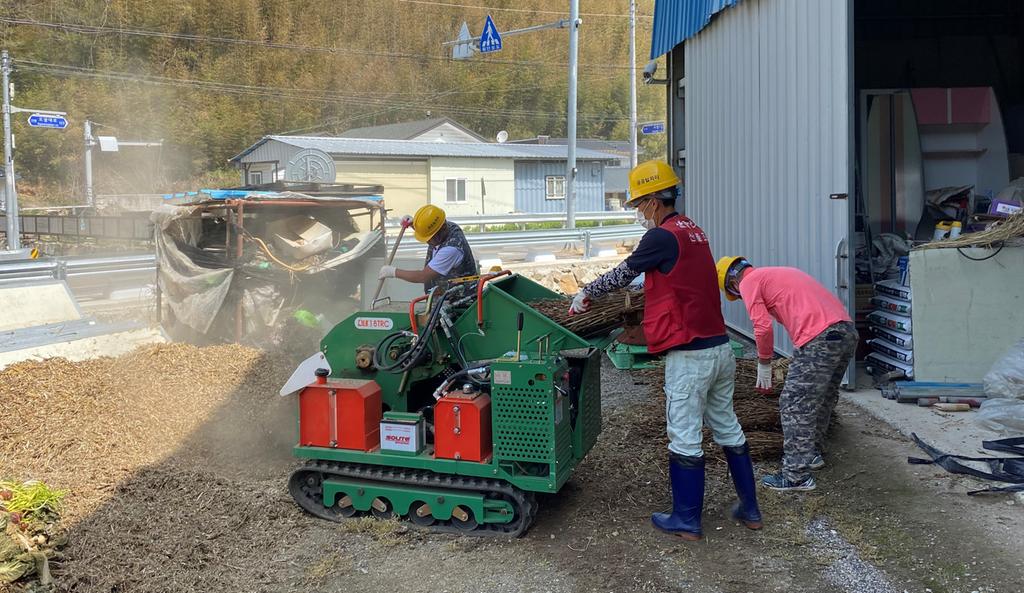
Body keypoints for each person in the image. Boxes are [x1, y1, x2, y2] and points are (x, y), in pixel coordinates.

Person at [570, 160, 762, 541]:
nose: (640, 212)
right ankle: (750, 509)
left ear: (655, 201)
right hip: (719, 347)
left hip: (690, 355)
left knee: (685, 435)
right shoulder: (693, 231)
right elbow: (677, 281)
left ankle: (686, 520)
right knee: (727, 427)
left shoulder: (660, 236)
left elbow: (623, 273)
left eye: (640, 204)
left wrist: (586, 292)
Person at [716, 257, 859, 492]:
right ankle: (811, 453)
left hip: (819, 338)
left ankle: (795, 476)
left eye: (735, 294)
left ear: (732, 281)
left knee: (794, 403)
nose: (740, 297)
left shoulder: (749, 282)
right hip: (845, 332)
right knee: (821, 398)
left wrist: (764, 363)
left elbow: (762, 327)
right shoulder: (777, 273)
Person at [378, 204, 478, 293]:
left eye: (429, 238)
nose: (427, 242)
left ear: (439, 232)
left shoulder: (451, 250)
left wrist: (392, 272)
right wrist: (415, 225)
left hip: (459, 302)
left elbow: (423, 276)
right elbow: (431, 229)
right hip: (445, 297)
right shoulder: (448, 226)